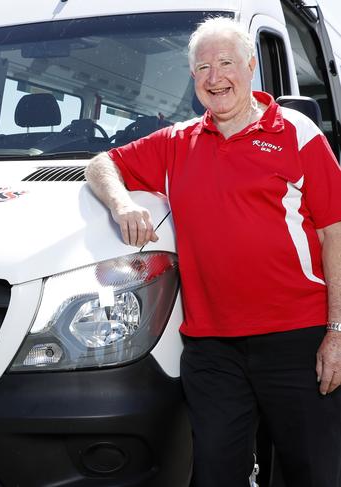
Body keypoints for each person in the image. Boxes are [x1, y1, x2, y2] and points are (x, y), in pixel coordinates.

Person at [86, 16, 341, 487]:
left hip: (297, 339)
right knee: (215, 474)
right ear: (193, 80)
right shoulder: (176, 143)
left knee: (314, 471)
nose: (215, 77)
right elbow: (102, 163)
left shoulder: (298, 134)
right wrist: (122, 204)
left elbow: (334, 233)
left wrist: (337, 332)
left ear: (249, 68)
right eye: (203, 68)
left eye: (226, 63)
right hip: (211, 349)